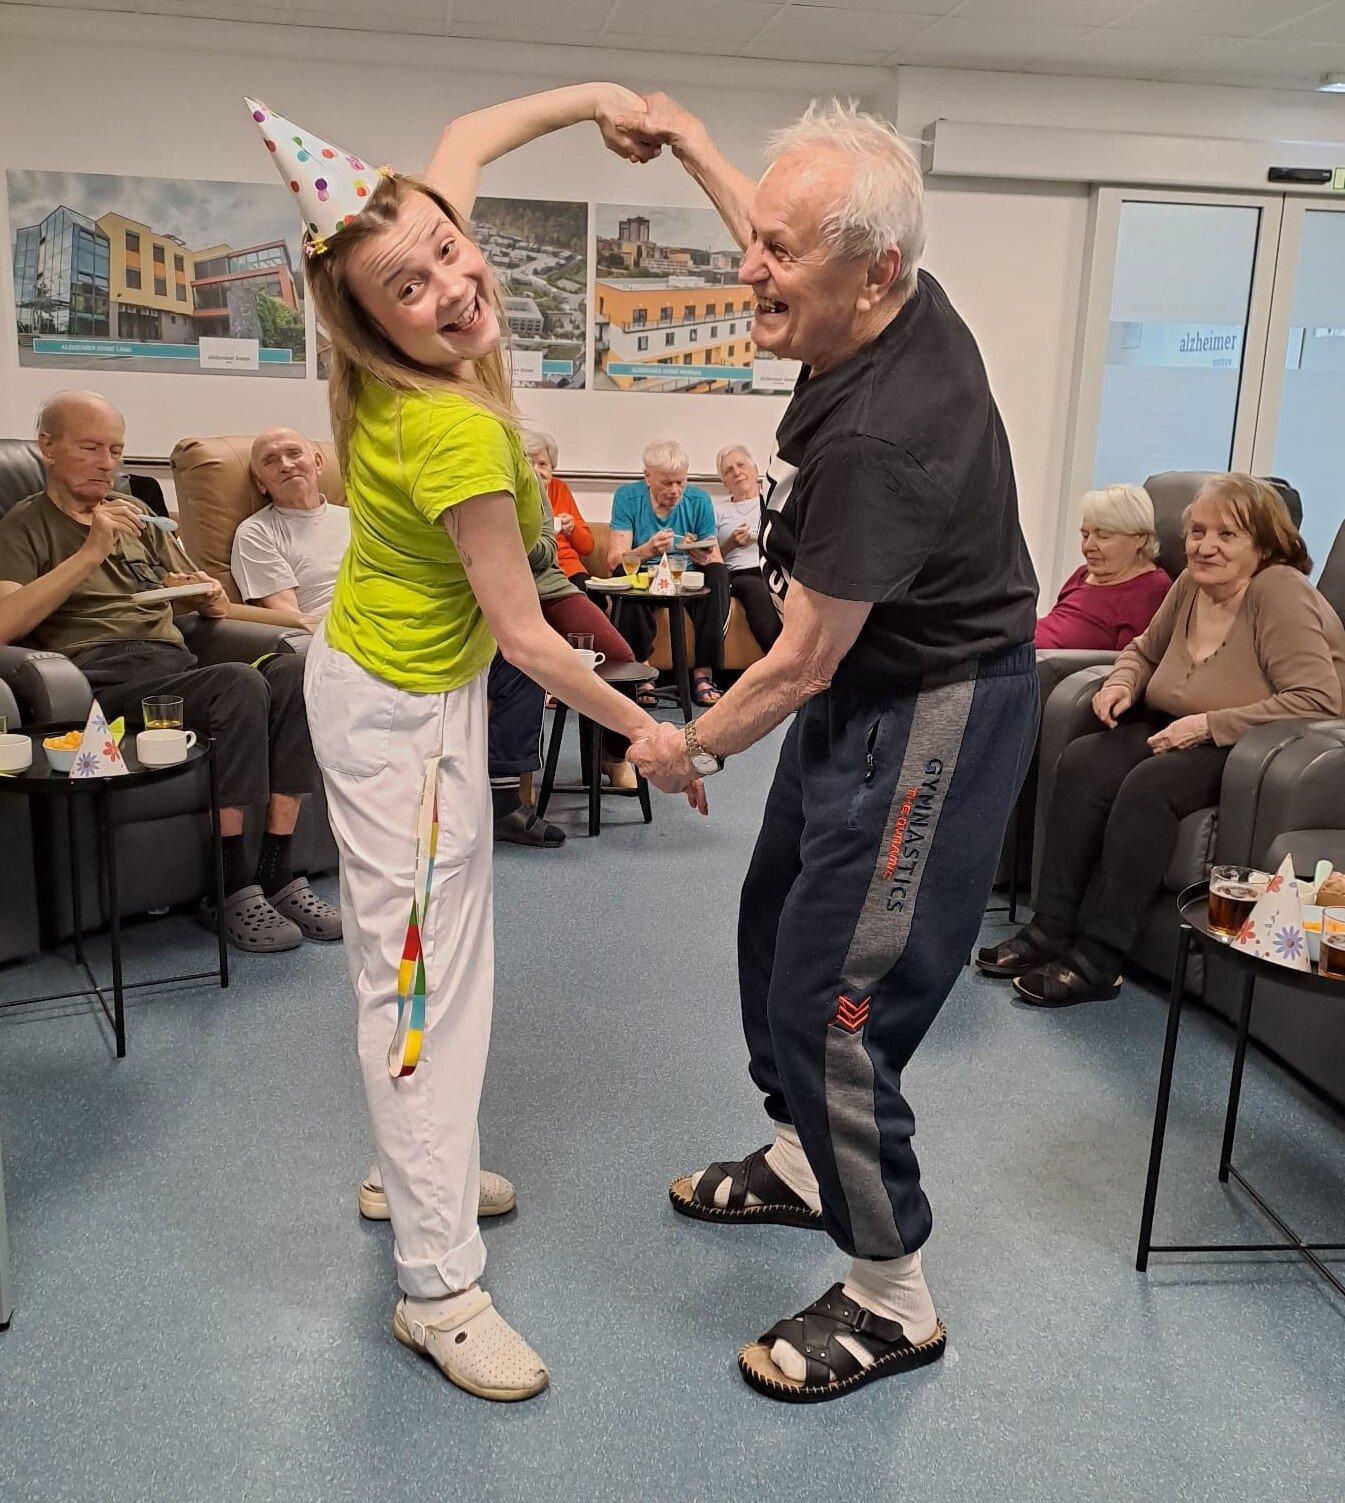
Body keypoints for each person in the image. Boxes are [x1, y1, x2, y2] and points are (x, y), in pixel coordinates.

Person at [249, 84, 694, 1403]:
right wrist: (653, 732)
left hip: (397, 683)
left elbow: (467, 143)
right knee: (422, 992)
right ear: (369, 321)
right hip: (396, 713)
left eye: (449, 250)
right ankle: (437, 1290)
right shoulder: (444, 426)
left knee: (426, 965)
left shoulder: (396, 331)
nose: (451, 283)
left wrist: (596, 102)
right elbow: (531, 640)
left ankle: (408, 1173)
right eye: (412, 284)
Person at [621, 96, 1039, 1401]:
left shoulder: (878, 435)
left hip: (931, 704)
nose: (751, 269)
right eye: (756, 239)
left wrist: (685, 743)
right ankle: (804, 1158)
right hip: (866, 684)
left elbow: (796, 660)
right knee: (775, 922)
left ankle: (891, 1292)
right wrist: (693, 143)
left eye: (779, 253)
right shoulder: (880, 293)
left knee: (834, 1000)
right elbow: (787, 241)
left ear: (875, 271)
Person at [979, 474, 1345, 1006]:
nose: (1204, 546)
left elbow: (1318, 698)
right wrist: (1122, 682)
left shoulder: (1278, 591)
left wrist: (1209, 725)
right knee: (1083, 761)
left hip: (1246, 746)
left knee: (1150, 787)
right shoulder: (1191, 583)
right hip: (1173, 724)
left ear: (1264, 545)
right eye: (1197, 532)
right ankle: (1050, 928)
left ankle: (1099, 960)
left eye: (1226, 535)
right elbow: (1144, 649)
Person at [0, 390, 340, 953]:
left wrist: (207, 596)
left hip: (176, 669)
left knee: (290, 671)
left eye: (116, 450)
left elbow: (209, 603)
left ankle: (278, 871)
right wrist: (90, 551)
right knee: (237, 683)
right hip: (100, 684)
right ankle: (230, 886)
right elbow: (5, 624)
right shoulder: (25, 524)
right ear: (48, 448)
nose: (107, 463)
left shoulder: (140, 518)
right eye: (89, 448)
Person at [607, 439, 729, 707]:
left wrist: (703, 556)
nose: (675, 491)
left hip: (686, 576)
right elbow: (614, 559)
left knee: (718, 573)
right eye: (666, 483)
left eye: (680, 482)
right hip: (646, 576)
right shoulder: (627, 497)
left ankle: (703, 673)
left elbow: (715, 555)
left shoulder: (699, 500)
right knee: (621, 573)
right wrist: (648, 550)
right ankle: (641, 672)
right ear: (647, 477)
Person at [231, 426, 352, 630]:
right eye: (270, 461)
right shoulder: (256, 533)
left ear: (318, 463)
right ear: (260, 483)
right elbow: (290, 618)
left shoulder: (356, 518)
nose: (286, 465)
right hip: (335, 633)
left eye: (294, 453)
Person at [1035, 483, 1171, 650]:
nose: (1088, 547)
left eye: (1103, 536)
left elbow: (1129, 659)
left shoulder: (1151, 590)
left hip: (1046, 661)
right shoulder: (1084, 573)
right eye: (1085, 535)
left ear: (1139, 539)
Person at [713, 443, 781, 653]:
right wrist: (731, 543)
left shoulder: (773, 502)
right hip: (741, 573)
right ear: (724, 482)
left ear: (755, 469)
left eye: (741, 465)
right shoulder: (718, 510)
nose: (736, 472)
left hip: (774, 568)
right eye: (728, 471)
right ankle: (778, 658)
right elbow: (710, 556)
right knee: (756, 589)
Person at [522, 429, 594, 584]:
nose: (537, 471)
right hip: (534, 570)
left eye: (542, 464)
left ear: (552, 467)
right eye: (529, 464)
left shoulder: (560, 488)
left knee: (590, 593)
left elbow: (587, 547)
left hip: (568, 568)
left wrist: (572, 529)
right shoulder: (517, 493)